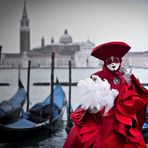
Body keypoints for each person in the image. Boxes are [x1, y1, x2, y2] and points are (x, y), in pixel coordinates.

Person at [63, 41, 148, 148]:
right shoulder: (97, 76)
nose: (113, 63)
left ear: (120, 61)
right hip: (102, 121)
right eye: (109, 61)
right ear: (105, 62)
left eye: (116, 60)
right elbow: (90, 101)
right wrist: (92, 106)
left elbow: (132, 99)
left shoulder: (124, 77)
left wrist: (129, 83)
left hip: (120, 122)